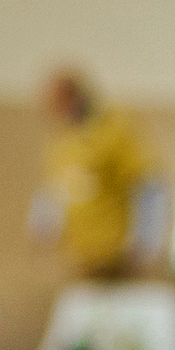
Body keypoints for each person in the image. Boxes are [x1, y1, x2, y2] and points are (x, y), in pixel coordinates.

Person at [35, 66, 156, 282]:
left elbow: (147, 184)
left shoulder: (114, 129)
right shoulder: (64, 140)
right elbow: (58, 189)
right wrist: (43, 223)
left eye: (57, 101)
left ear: (75, 96)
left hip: (119, 255)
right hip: (82, 255)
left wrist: (146, 240)